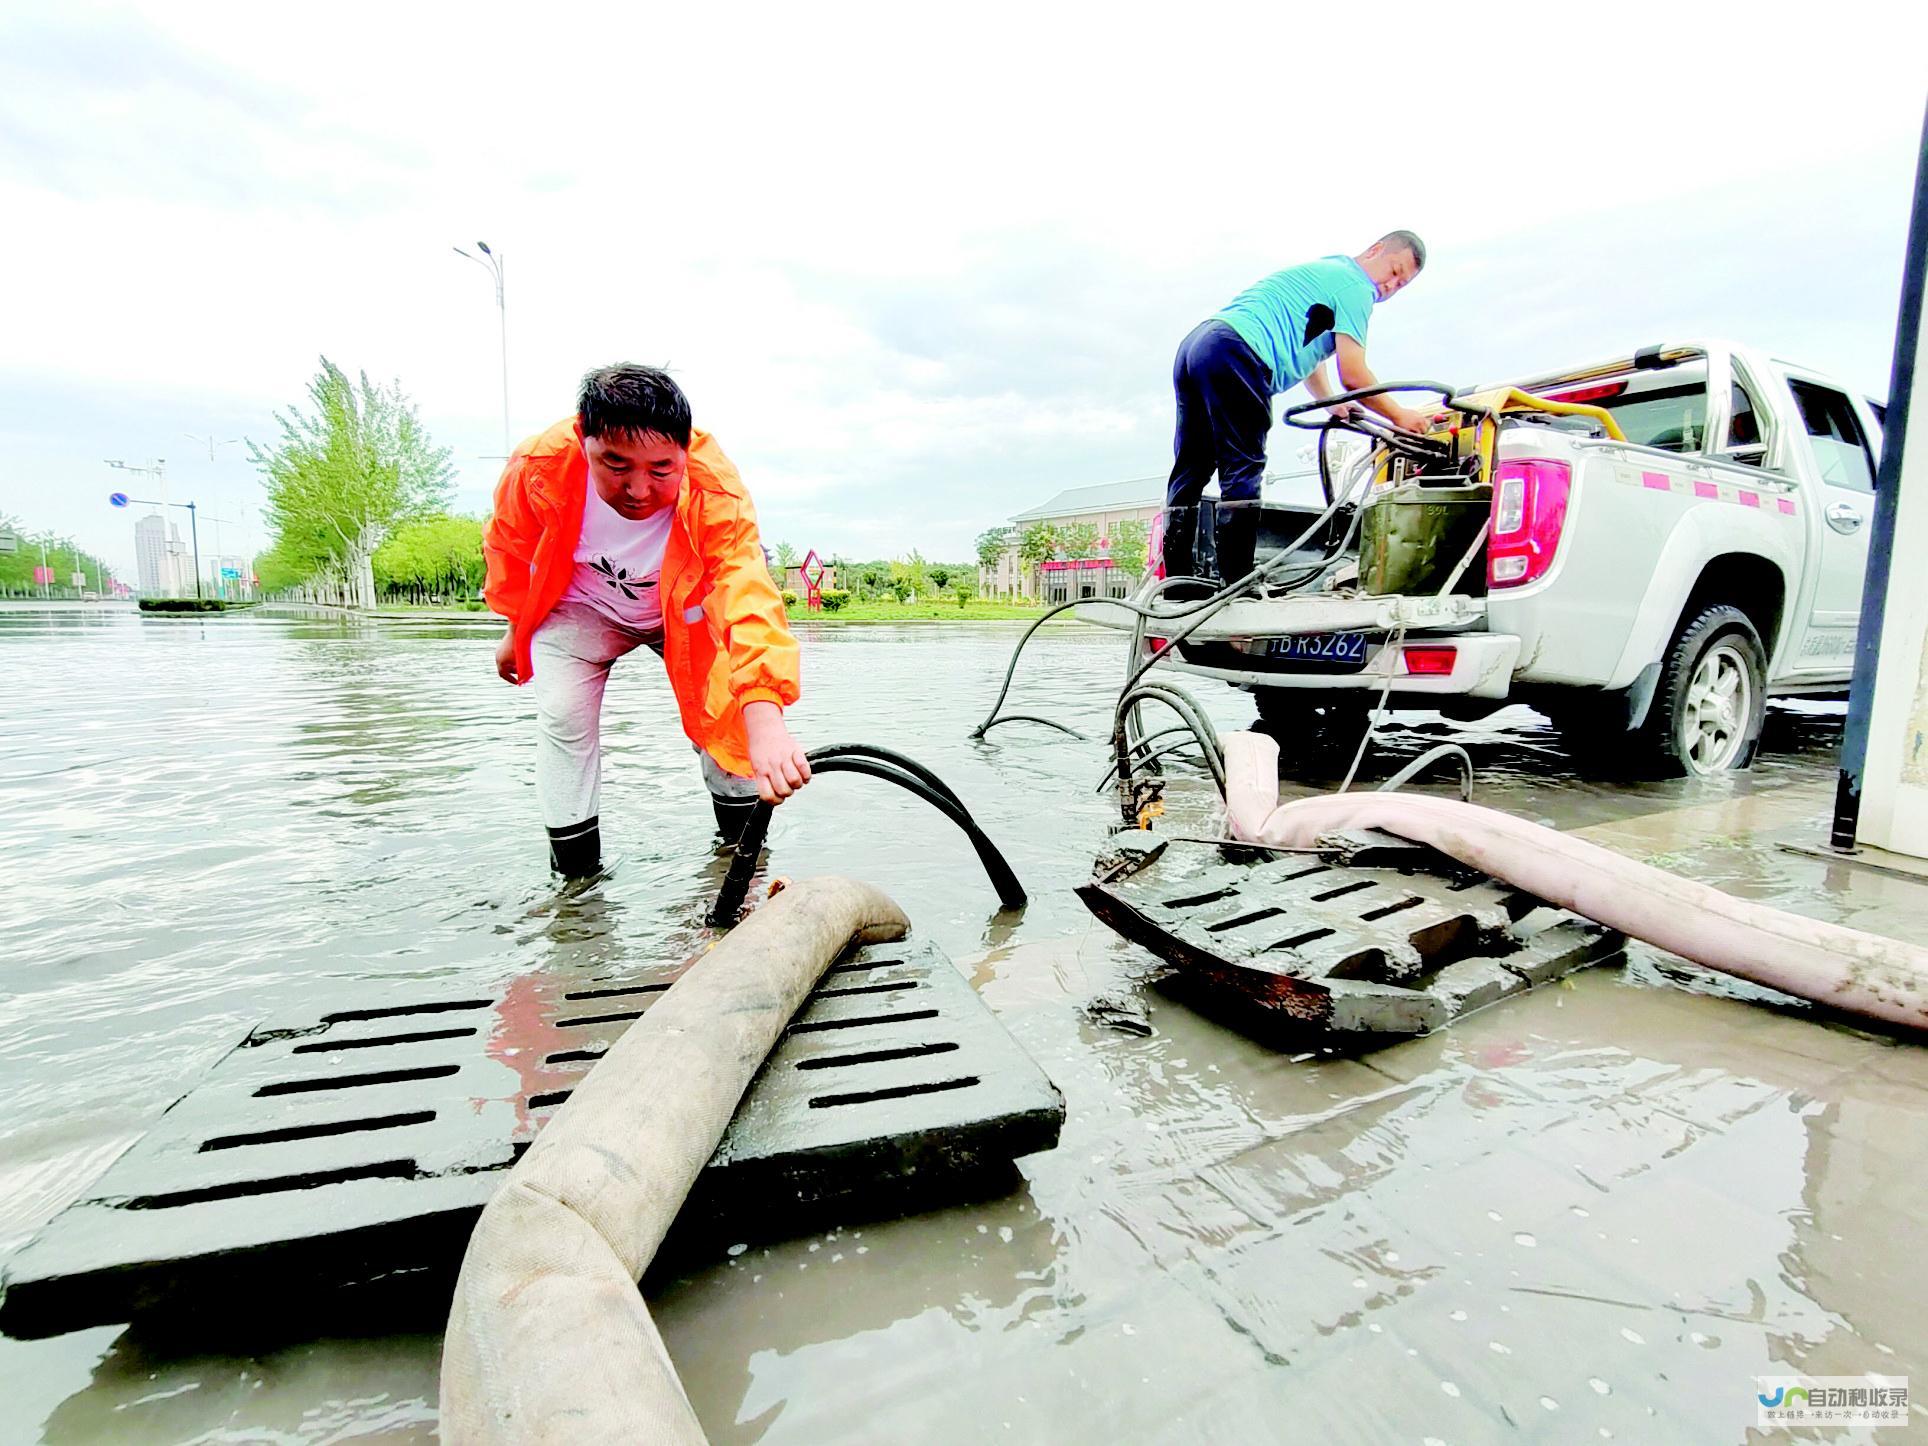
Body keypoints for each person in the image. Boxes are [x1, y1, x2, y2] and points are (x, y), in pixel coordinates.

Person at [483, 363, 810, 877]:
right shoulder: (537, 465)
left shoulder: (713, 488)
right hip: (581, 607)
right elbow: (510, 547)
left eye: (661, 470)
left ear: (684, 452)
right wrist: (513, 627)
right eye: (615, 465)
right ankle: (576, 892)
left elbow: (746, 591)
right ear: (582, 439)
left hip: (682, 606)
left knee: (728, 725)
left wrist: (765, 717)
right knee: (563, 717)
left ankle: (741, 873)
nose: (638, 489)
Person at [1164, 230, 1433, 591]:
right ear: (1376, 250)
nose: (1391, 285)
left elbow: (1310, 350)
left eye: (1402, 284)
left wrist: (1332, 401)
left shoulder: (1327, 273)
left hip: (1199, 345)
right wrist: (1401, 417)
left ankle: (1178, 587)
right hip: (1239, 351)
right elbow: (1354, 374)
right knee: (1242, 469)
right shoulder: (1357, 288)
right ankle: (1237, 587)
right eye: (1395, 270)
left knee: (1192, 466)